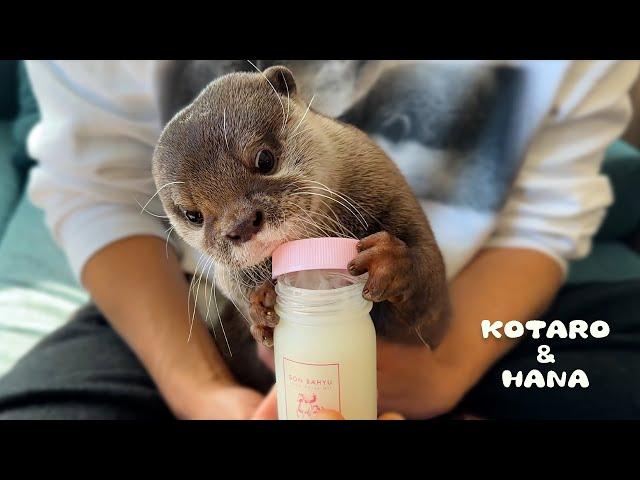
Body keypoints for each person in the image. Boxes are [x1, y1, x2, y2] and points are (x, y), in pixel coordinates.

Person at [0, 60, 639, 420]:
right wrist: (204, 396)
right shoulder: (212, 250)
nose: (240, 227)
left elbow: (547, 212)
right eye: (201, 218)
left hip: (472, 314)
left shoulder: (360, 171)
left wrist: (442, 377)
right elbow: (95, 190)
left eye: (263, 164)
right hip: (188, 314)